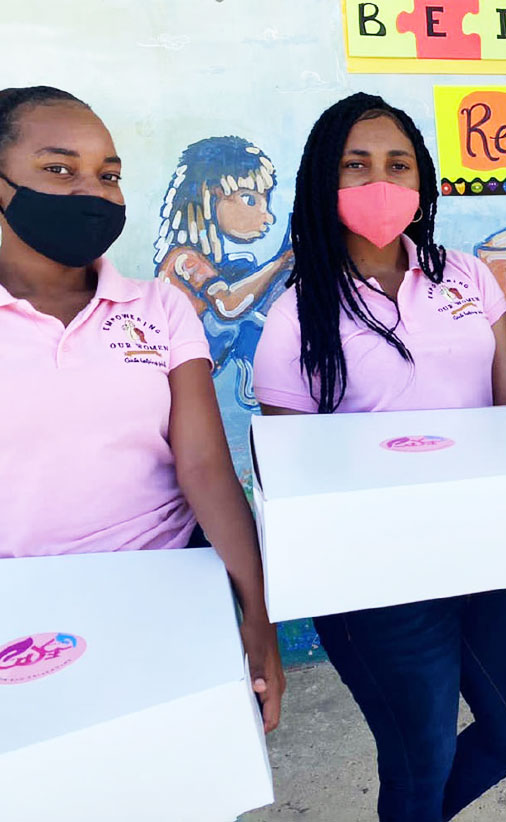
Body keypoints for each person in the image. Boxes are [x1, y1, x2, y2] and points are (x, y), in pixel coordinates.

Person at [252, 92, 506, 822]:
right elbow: (292, 468)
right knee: (421, 757)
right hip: (375, 578)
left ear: (422, 183)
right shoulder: (300, 311)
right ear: (325, 182)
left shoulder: (466, 277)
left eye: (398, 164)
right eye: (356, 166)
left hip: (479, 550)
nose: (379, 182)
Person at [0, 86, 284, 730]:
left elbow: (207, 469)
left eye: (109, 175)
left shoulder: (159, 308)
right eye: (58, 170)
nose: (92, 191)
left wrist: (256, 614)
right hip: (19, 621)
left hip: (164, 596)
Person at [154, 136, 294, 409]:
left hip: (206, 354)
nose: (268, 216)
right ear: (211, 194)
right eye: (249, 200)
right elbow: (226, 307)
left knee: (249, 274)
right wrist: (280, 262)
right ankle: (256, 378)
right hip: (190, 360)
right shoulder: (184, 259)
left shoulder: (217, 264)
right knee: (248, 311)